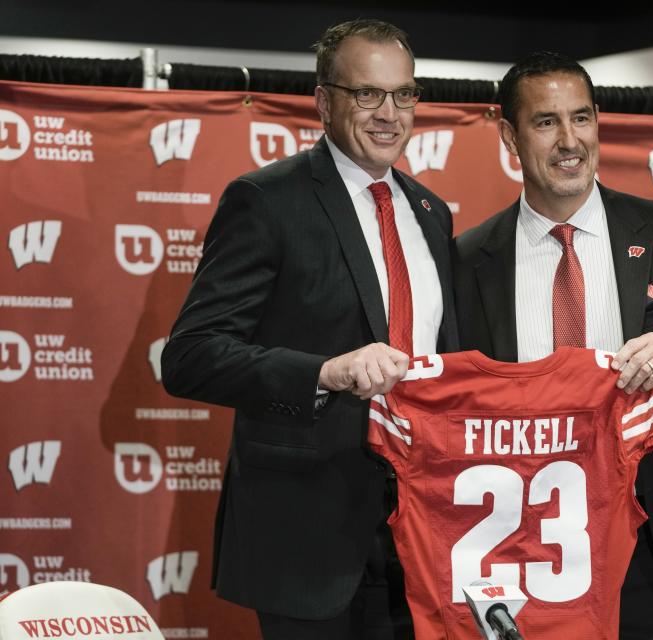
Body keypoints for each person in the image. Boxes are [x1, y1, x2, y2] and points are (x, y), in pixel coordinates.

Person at [161, 19, 457, 640]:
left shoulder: (432, 213)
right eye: (367, 94)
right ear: (324, 100)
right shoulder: (266, 200)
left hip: (423, 528)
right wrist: (324, 372)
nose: (390, 113)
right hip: (306, 531)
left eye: (404, 94)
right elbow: (189, 356)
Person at [453, 51, 653, 639]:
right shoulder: (466, 260)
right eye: (546, 122)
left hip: (649, 539)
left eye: (582, 118)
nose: (570, 141)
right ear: (508, 136)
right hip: (515, 545)